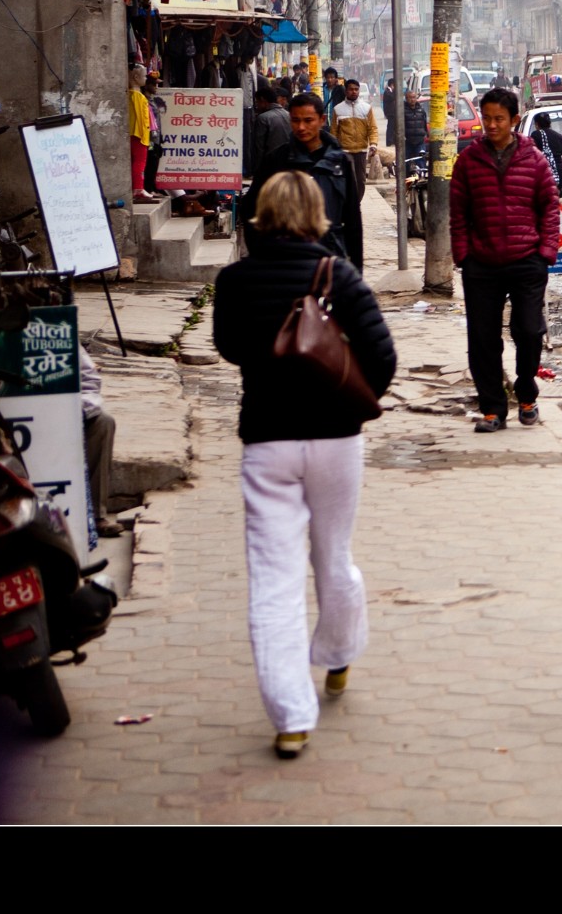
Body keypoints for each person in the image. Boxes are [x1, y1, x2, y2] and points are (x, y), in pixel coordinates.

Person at [212, 171, 396, 760]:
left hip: (267, 440)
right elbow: (384, 359)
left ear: (263, 213)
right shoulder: (336, 274)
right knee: (333, 554)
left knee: (274, 578)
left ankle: (292, 717)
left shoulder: (235, 279)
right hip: (337, 439)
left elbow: (229, 347)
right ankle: (339, 655)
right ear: (318, 213)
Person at [449, 87, 561, 433]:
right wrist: (464, 255)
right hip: (481, 264)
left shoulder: (534, 160)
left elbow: (549, 209)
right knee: (482, 338)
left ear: (514, 120)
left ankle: (526, 392)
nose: (491, 125)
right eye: (487, 117)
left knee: (528, 330)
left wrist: (545, 253)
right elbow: (458, 214)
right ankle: (492, 408)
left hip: (527, 260)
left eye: (499, 119)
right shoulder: (468, 161)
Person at [247, 93, 352, 262]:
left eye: (308, 120)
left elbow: (352, 218)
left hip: (329, 257)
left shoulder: (340, 162)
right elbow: (251, 210)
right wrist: (259, 254)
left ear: (322, 120)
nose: (301, 127)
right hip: (283, 259)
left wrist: (356, 268)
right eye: (295, 120)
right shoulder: (276, 160)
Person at [77, 346, 123, 537]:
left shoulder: (58, 335)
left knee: (103, 423)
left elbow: (89, 379)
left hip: (63, 413)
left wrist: (79, 410)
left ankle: (96, 516)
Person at [330, 79, 376, 268]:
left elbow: (373, 128)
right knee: (348, 182)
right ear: (346, 91)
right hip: (345, 152)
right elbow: (333, 132)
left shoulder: (367, 108)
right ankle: (350, 208)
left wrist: (373, 144)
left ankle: (354, 204)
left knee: (361, 182)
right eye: (351, 89)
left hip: (361, 151)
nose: (354, 92)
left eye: (357, 89)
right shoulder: (338, 110)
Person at [127, 66, 161, 204]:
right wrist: (146, 134)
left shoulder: (135, 94)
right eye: (144, 77)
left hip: (138, 133)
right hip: (139, 134)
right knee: (140, 162)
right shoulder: (137, 96)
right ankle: (138, 188)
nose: (146, 79)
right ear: (136, 78)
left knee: (140, 162)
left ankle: (139, 187)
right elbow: (142, 119)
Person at [249, 85, 291, 174]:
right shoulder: (289, 115)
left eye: (257, 102)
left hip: (270, 168)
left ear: (263, 100)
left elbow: (259, 148)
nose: (257, 106)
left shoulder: (263, 118)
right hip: (288, 165)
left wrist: (256, 170)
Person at [381, 76, 401, 146]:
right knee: (390, 127)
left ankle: (393, 140)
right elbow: (392, 97)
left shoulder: (390, 91)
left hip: (393, 112)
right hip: (390, 113)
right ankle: (389, 141)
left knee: (394, 127)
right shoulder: (387, 92)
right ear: (392, 84)